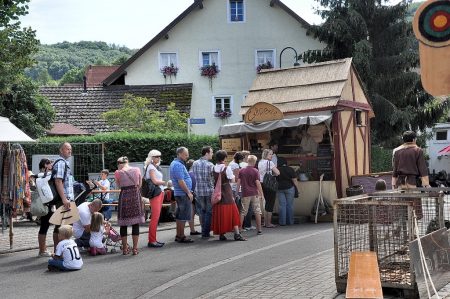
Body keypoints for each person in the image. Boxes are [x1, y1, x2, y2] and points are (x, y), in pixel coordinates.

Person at [211, 150, 246, 241]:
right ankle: (237, 234)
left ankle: (221, 234)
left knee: (220, 212)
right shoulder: (227, 168)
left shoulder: (214, 168)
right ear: (225, 158)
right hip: (227, 192)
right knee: (233, 212)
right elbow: (232, 180)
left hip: (218, 192)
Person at [115, 156, 145, 255]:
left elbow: (119, 186)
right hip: (135, 196)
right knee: (135, 223)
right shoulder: (137, 169)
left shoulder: (118, 172)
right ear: (127, 162)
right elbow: (140, 184)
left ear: (119, 163)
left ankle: (124, 249)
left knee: (123, 224)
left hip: (124, 197)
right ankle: (135, 249)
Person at [169, 147, 195, 243]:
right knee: (183, 216)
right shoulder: (178, 165)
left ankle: (179, 235)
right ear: (179, 154)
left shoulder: (176, 163)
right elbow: (181, 181)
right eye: (185, 154)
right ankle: (181, 236)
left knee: (180, 216)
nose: (187, 156)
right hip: (183, 194)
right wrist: (188, 192)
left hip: (180, 193)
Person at [236, 155, 263, 235]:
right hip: (254, 193)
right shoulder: (255, 171)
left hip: (245, 193)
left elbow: (238, 182)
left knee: (243, 211)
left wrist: (236, 193)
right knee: (257, 211)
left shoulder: (242, 171)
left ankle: (240, 229)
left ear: (247, 161)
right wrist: (261, 193)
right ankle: (259, 229)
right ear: (254, 162)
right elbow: (257, 183)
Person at [144, 149, 166, 248]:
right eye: (156, 156)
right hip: (156, 193)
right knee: (155, 218)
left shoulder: (155, 167)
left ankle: (153, 239)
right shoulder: (151, 167)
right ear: (151, 157)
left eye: (159, 156)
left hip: (159, 192)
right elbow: (155, 181)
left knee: (156, 217)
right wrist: (164, 182)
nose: (159, 158)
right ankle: (152, 240)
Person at [192, 146, 215, 239]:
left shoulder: (195, 163)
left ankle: (203, 230)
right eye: (211, 152)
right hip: (209, 191)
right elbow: (212, 179)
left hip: (198, 190)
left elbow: (194, 176)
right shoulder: (210, 165)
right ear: (206, 153)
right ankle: (206, 232)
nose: (212, 154)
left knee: (202, 211)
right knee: (209, 212)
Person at [37, 158, 55, 257]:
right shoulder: (43, 177)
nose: (51, 165)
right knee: (44, 226)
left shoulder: (40, 176)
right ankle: (42, 250)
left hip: (46, 204)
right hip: (46, 205)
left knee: (44, 226)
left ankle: (43, 249)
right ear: (45, 165)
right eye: (49, 163)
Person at [258, 148, 280, 228]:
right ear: (266, 155)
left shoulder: (260, 162)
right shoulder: (270, 163)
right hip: (269, 184)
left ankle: (265, 222)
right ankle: (268, 223)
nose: (271, 156)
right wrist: (273, 174)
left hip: (262, 183)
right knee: (270, 203)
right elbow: (277, 172)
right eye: (270, 154)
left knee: (266, 202)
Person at [276, 157, 297, 226]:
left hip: (279, 188)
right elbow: (294, 180)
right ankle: (290, 222)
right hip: (289, 188)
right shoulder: (290, 169)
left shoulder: (276, 169)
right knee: (289, 205)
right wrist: (296, 188)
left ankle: (282, 222)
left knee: (282, 205)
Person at [240, 151, 255, 230]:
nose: (249, 157)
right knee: (249, 208)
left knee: (243, 208)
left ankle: (241, 226)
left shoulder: (239, 165)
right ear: (245, 156)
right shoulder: (246, 166)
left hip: (242, 189)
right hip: (249, 189)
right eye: (248, 156)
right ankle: (247, 225)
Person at [186, 159, 201, 236]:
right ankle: (203, 229)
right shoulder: (195, 175)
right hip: (196, 195)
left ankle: (192, 230)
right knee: (201, 212)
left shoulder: (187, 174)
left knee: (191, 213)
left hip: (189, 195)